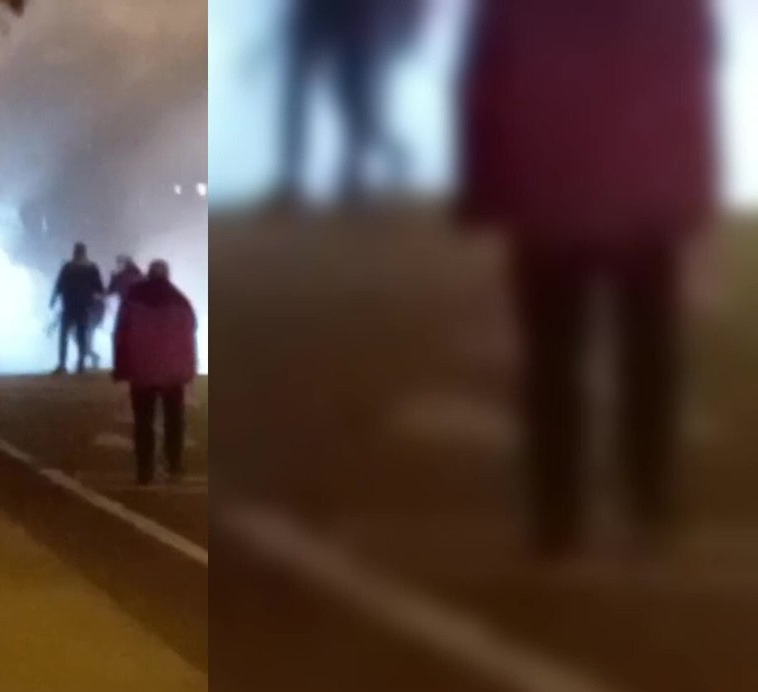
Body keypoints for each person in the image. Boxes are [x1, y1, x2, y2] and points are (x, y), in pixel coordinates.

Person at [458, 0, 718, 559]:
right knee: (648, 356)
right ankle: (649, 501)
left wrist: (483, 187)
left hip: (551, 186)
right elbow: (695, 73)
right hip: (646, 193)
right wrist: (694, 191)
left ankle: (558, 514)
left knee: (553, 361)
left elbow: (484, 76)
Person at [272, 0, 424, 209]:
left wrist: (408, 23)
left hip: (357, 19)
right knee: (309, 93)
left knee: (355, 102)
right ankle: (294, 181)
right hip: (326, 16)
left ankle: (353, 173)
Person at [113, 260, 199, 485]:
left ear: (148, 274)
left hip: (141, 370)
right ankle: (174, 464)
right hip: (172, 373)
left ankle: (144, 470)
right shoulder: (180, 301)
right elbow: (190, 334)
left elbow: (120, 334)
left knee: (143, 421)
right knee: (174, 419)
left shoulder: (132, 299)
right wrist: (189, 371)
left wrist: (120, 368)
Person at [50, 242, 106, 374]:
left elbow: (59, 284)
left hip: (69, 304)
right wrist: (99, 296)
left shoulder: (68, 267)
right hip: (83, 305)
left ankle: (63, 364)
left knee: (64, 335)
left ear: (74, 252)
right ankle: (80, 364)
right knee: (81, 335)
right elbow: (98, 287)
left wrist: (53, 299)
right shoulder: (91, 268)